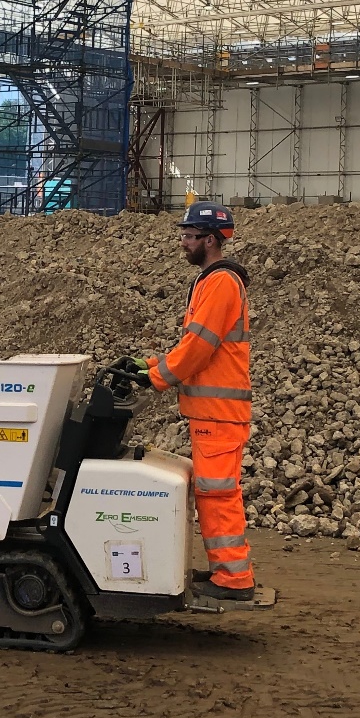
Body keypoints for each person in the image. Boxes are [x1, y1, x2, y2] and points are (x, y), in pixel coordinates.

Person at [118, 201, 255, 601]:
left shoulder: (221, 283)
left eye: (190, 236)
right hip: (213, 413)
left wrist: (157, 377)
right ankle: (226, 573)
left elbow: (199, 347)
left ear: (210, 240)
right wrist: (148, 364)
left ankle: (232, 579)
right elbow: (191, 347)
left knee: (218, 493)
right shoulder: (212, 281)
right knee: (213, 492)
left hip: (219, 413)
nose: (183, 243)